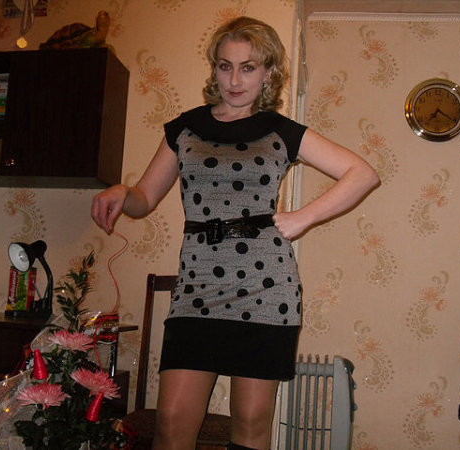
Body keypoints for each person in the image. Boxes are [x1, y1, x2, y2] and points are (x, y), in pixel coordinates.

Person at [92, 16, 380, 450]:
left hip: (265, 289)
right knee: (171, 423)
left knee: (250, 424)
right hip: (196, 289)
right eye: (225, 66)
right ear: (214, 68)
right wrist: (122, 192)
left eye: (248, 67)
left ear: (268, 72)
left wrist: (303, 218)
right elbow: (144, 198)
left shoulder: (280, 131)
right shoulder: (185, 128)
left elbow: (362, 173)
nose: (234, 80)